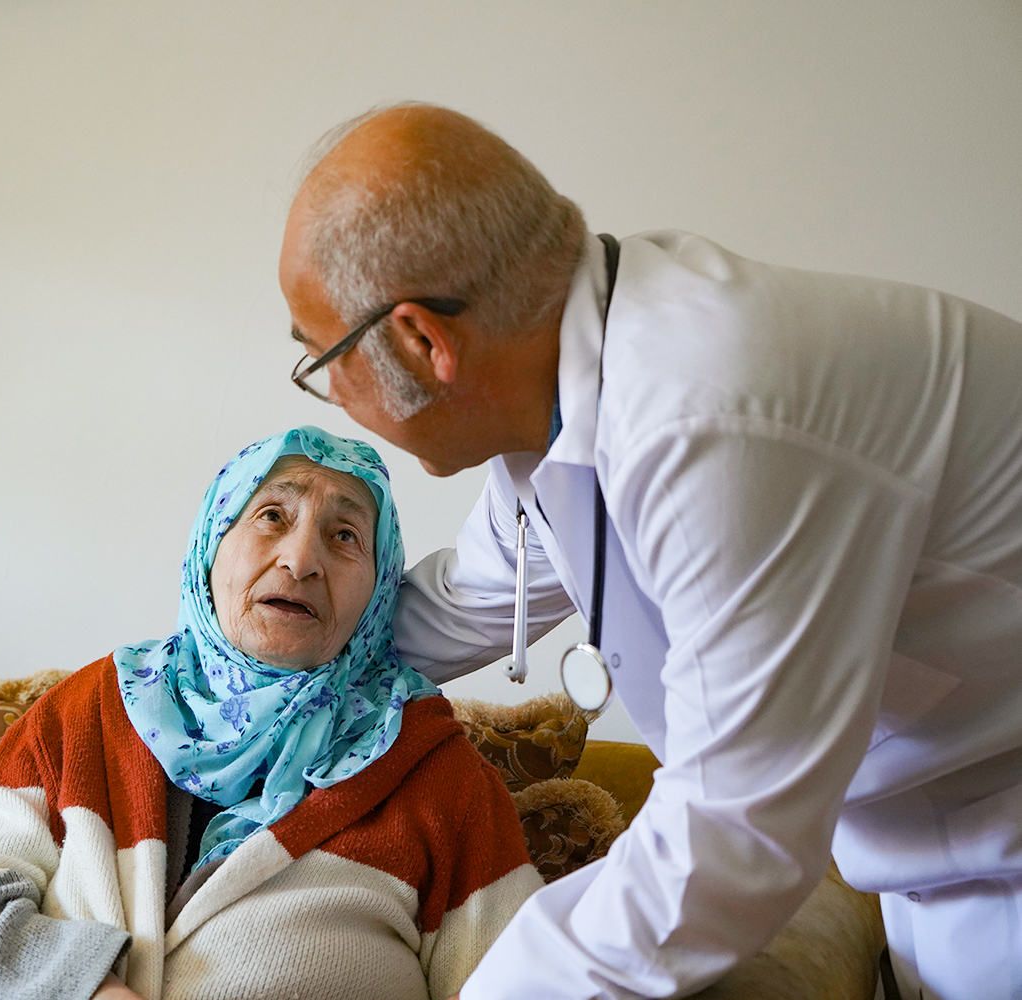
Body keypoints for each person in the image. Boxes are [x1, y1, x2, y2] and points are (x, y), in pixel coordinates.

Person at [278, 102, 1022, 1000]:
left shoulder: (708, 416)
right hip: (940, 851)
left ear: (421, 342)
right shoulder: (561, 401)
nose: (332, 394)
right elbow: (453, 608)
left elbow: (730, 842)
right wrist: (246, 644)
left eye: (322, 361)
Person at [0, 426, 542, 1000]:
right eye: (270, 516)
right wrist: (85, 990)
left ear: (378, 590)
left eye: (345, 536)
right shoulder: (82, 714)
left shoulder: (434, 771)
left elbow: (526, 981)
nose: (300, 560)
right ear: (212, 545)